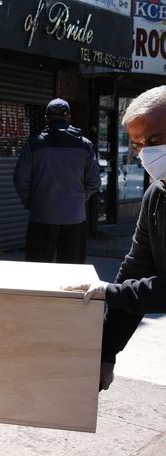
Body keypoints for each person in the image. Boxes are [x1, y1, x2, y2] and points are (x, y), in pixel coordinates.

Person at [63, 86, 166, 391]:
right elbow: (138, 268)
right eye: (137, 144)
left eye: (154, 140)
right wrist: (106, 353)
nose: (145, 152)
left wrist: (108, 291)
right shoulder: (156, 196)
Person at [14, 98, 100, 264]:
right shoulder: (85, 146)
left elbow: (20, 180)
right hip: (75, 218)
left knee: (37, 272)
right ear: (68, 117)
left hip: (42, 215)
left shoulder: (34, 144)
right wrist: (79, 199)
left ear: (46, 118)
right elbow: (94, 182)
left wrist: (32, 202)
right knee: (72, 275)